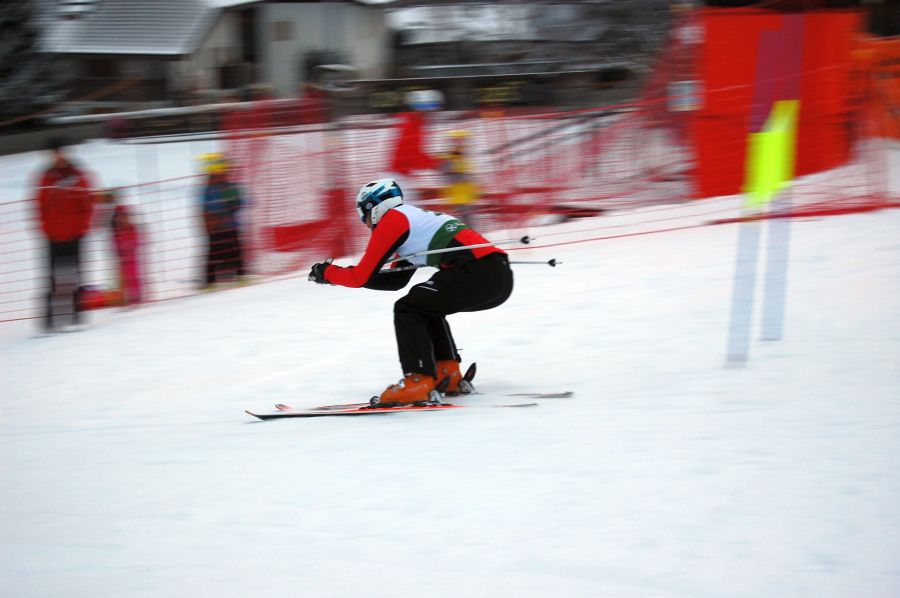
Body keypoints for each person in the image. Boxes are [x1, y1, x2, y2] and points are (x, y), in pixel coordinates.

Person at [308, 179, 513, 405]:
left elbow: (359, 277)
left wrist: (327, 273)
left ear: (373, 207)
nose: (364, 223)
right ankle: (447, 373)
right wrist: (341, 275)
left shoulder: (393, 220)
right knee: (424, 304)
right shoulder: (411, 218)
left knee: (407, 308)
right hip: (497, 276)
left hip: (478, 273)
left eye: (363, 214)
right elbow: (394, 281)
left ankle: (418, 380)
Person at [33, 137, 95, 331]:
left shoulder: (78, 175)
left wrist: (81, 229)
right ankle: (50, 321)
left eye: (60, 152)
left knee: (76, 276)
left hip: (75, 235)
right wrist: (45, 229)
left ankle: (76, 317)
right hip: (52, 236)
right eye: (53, 153)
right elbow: (39, 205)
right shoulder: (45, 177)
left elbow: (87, 204)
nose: (57, 156)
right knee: (51, 277)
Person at [198, 153, 246, 287]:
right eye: (223, 171)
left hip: (230, 226)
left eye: (226, 171)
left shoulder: (229, 186)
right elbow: (207, 208)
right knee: (213, 253)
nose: (226, 173)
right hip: (216, 228)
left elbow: (238, 203)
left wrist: (235, 202)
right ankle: (209, 281)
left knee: (236, 250)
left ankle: (241, 275)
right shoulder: (209, 188)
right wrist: (222, 209)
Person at [439, 129, 480, 223]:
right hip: (457, 197)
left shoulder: (464, 157)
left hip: (467, 196)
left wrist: (475, 188)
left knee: (467, 221)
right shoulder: (449, 160)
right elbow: (450, 177)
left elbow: (471, 175)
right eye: (457, 140)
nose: (460, 143)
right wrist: (464, 177)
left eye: (462, 140)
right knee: (461, 221)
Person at [110, 202, 144, 306]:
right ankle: (125, 298)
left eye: (125, 216)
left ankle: (136, 297)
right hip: (122, 259)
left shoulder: (131, 227)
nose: (122, 219)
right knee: (124, 279)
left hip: (132, 257)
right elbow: (114, 243)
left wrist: (130, 245)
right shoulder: (116, 230)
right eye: (119, 216)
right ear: (116, 218)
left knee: (134, 277)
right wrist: (119, 250)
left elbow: (136, 240)